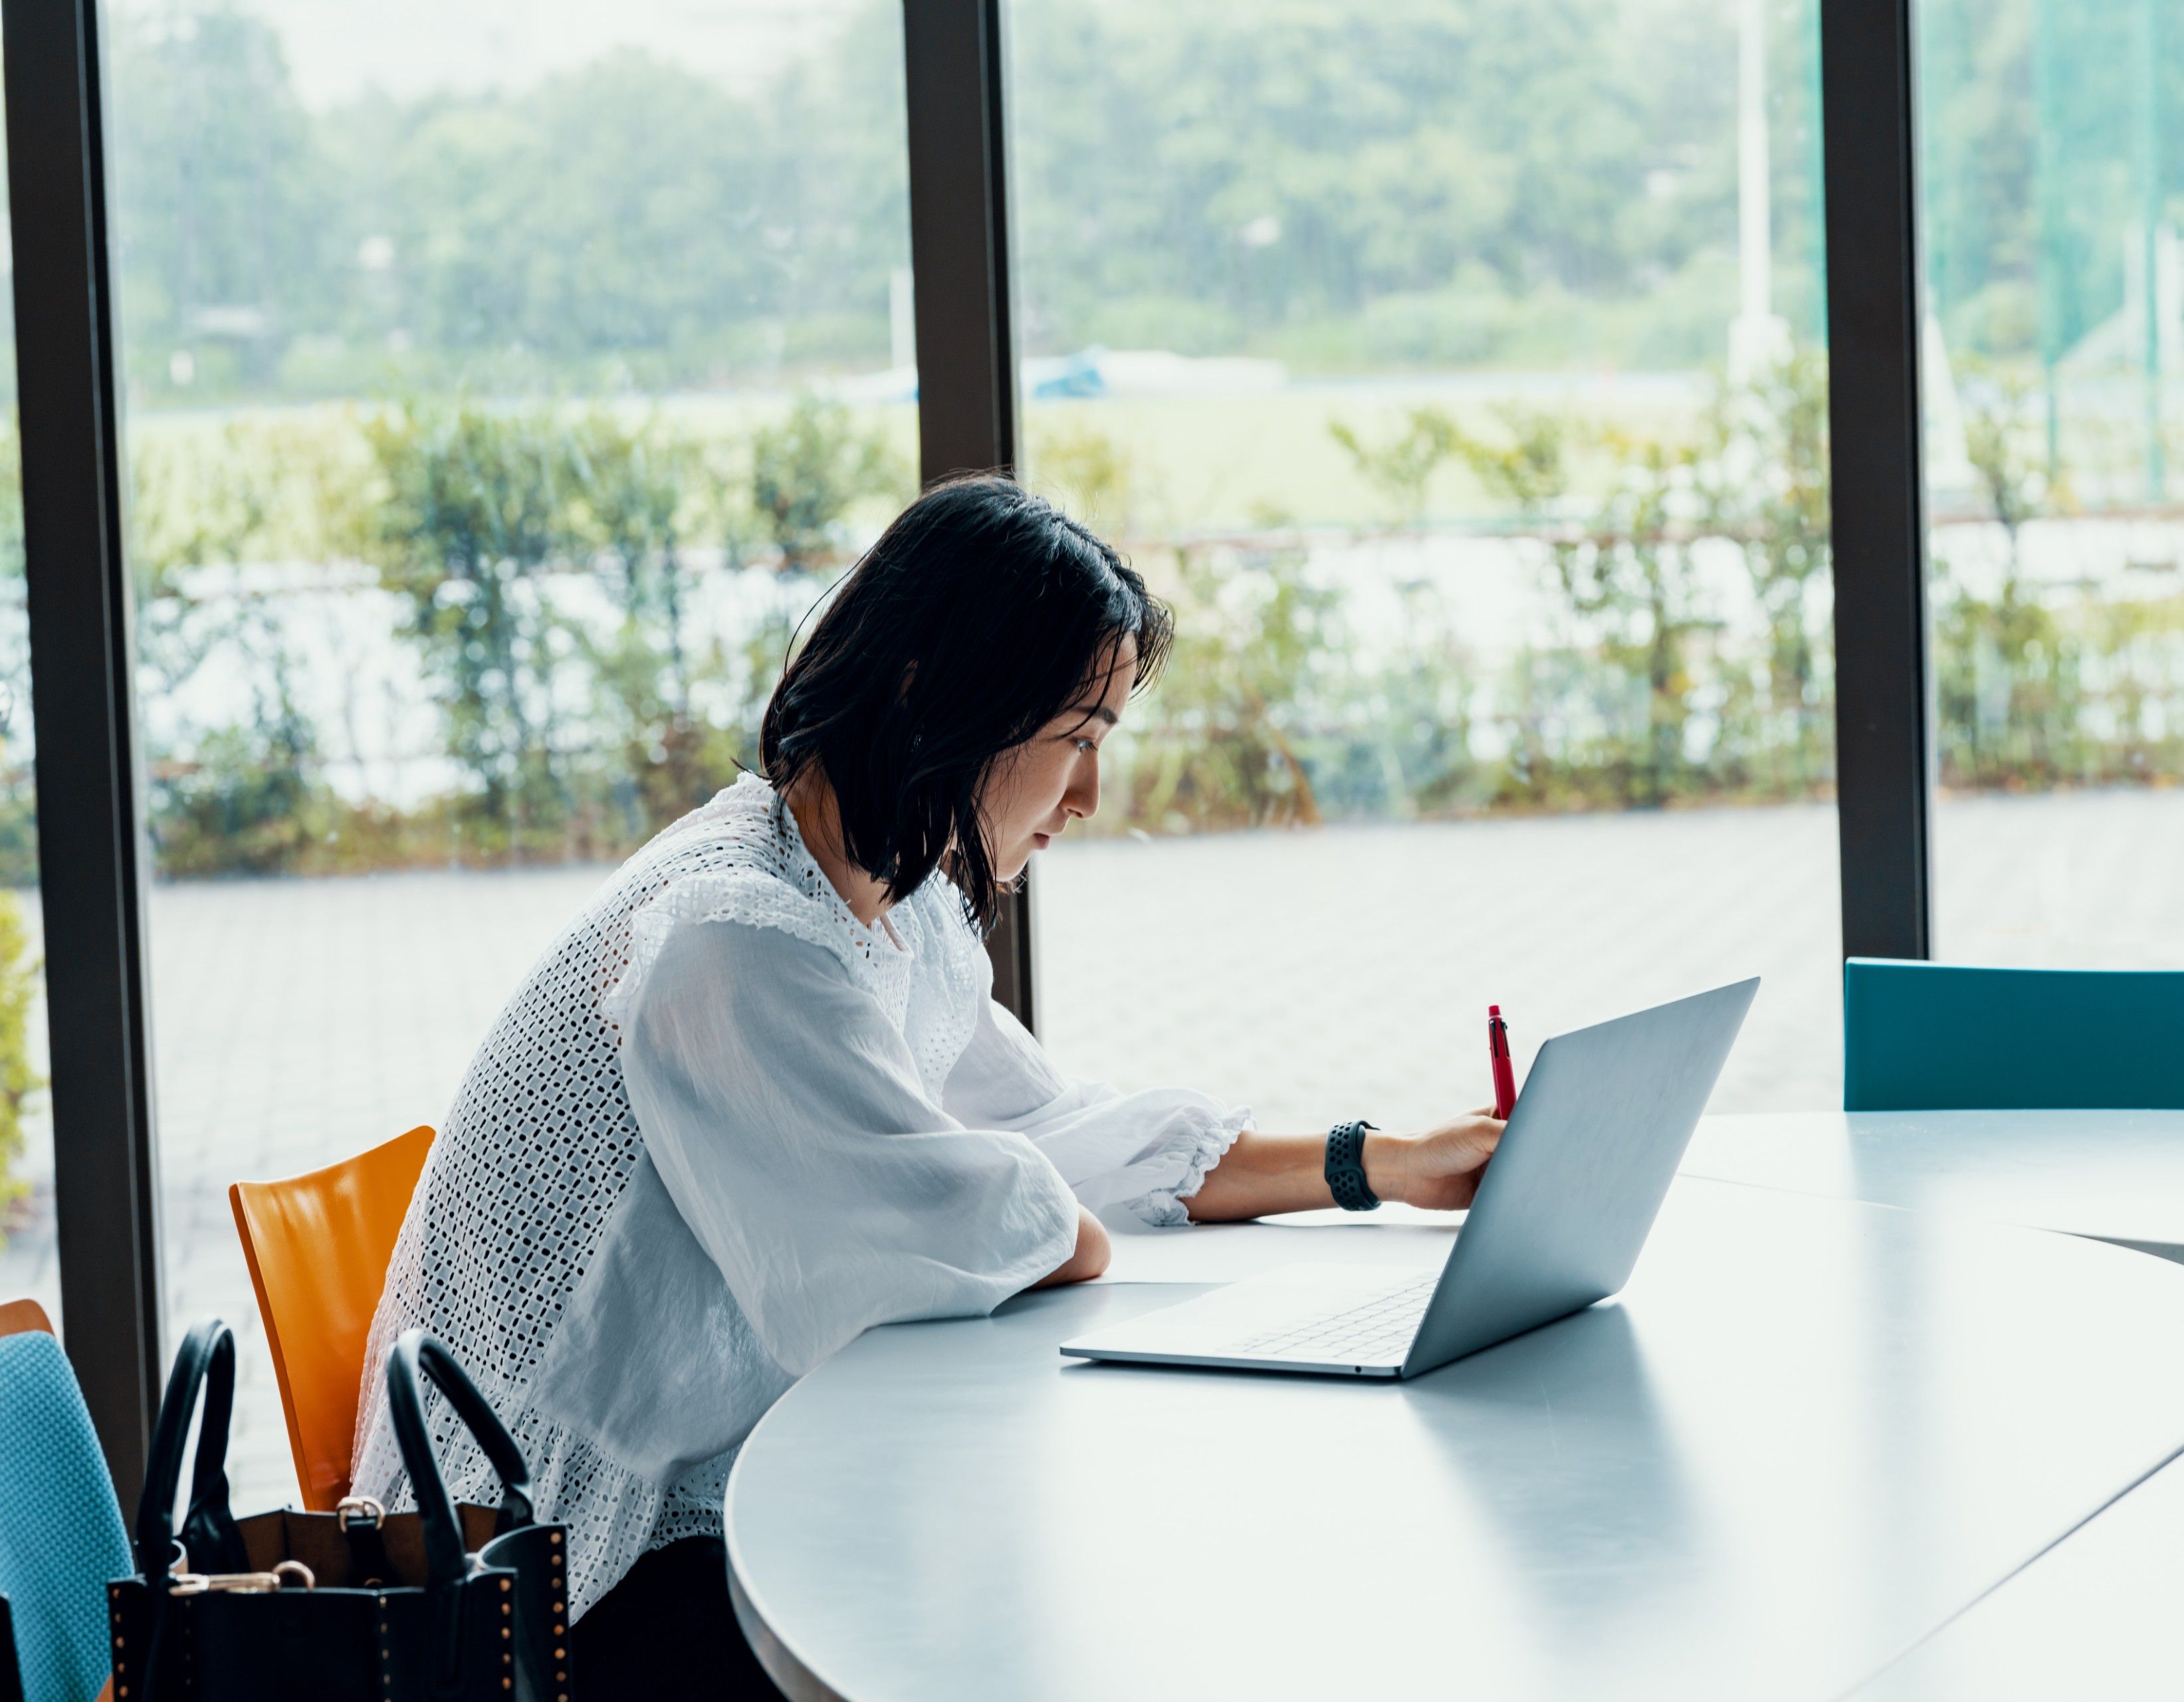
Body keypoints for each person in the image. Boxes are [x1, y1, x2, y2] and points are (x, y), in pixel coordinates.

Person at [350, 477, 1503, 1701]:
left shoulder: (889, 898)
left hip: (699, 1493)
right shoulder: (732, 940)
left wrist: (1382, 1163)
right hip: (563, 1584)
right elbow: (981, 1230)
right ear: (933, 691)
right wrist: (1050, 1216)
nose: (1089, 798)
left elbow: (1055, 1141)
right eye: (1078, 738)